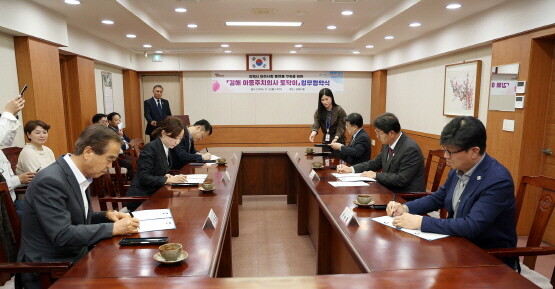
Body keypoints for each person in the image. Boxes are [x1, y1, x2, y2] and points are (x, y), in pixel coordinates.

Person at [17, 125, 140, 289]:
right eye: (109, 159)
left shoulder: (78, 174)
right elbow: (63, 234)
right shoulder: (50, 181)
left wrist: (106, 215)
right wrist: (114, 228)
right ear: (88, 152)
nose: (109, 166)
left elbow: (78, 218)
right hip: (51, 269)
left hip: (76, 256)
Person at [386, 116, 517, 268]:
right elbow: (438, 198)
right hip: (456, 245)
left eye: (450, 151)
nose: (446, 156)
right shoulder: (458, 169)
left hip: (487, 258)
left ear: (474, 151)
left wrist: (421, 222)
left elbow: (472, 226)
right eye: (444, 150)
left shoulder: (497, 180)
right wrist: (406, 208)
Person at [337, 112, 425, 193]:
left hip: (405, 196)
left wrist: (376, 175)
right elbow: (375, 163)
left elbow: (401, 179)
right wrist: (351, 169)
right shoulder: (388, 143)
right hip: (388, 190)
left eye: (379, 133)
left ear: (391, 133)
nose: (377, 136)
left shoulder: (410, 149)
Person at [125, 117, 187, 211]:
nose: (177, 142)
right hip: (142, 198)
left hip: (154, 193)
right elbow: (144, 177)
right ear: (163, 133)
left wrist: (165, 175)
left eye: (180, 139)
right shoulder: (151, 148)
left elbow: (156, 170)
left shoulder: (166, 146)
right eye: (174, 138)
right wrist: (167, 180)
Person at [0, 96, 36, 217]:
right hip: (4, 209)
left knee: (46, 207)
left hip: (12, 200)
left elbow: (6, 140)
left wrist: (12, 115)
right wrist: (19, 180)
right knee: (39, 218)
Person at [107, 112, 133, 177]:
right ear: (110, 122)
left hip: (125, 152)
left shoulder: (119, 128)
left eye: (119, 120)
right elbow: (116, 145)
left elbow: (127, 139)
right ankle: (133, 182)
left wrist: (131, 144)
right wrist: (119, 137)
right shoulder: (108, 131)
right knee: (132, 164)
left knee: (139, 160)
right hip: (116, 156)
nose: (118, 122)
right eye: (116, 120)